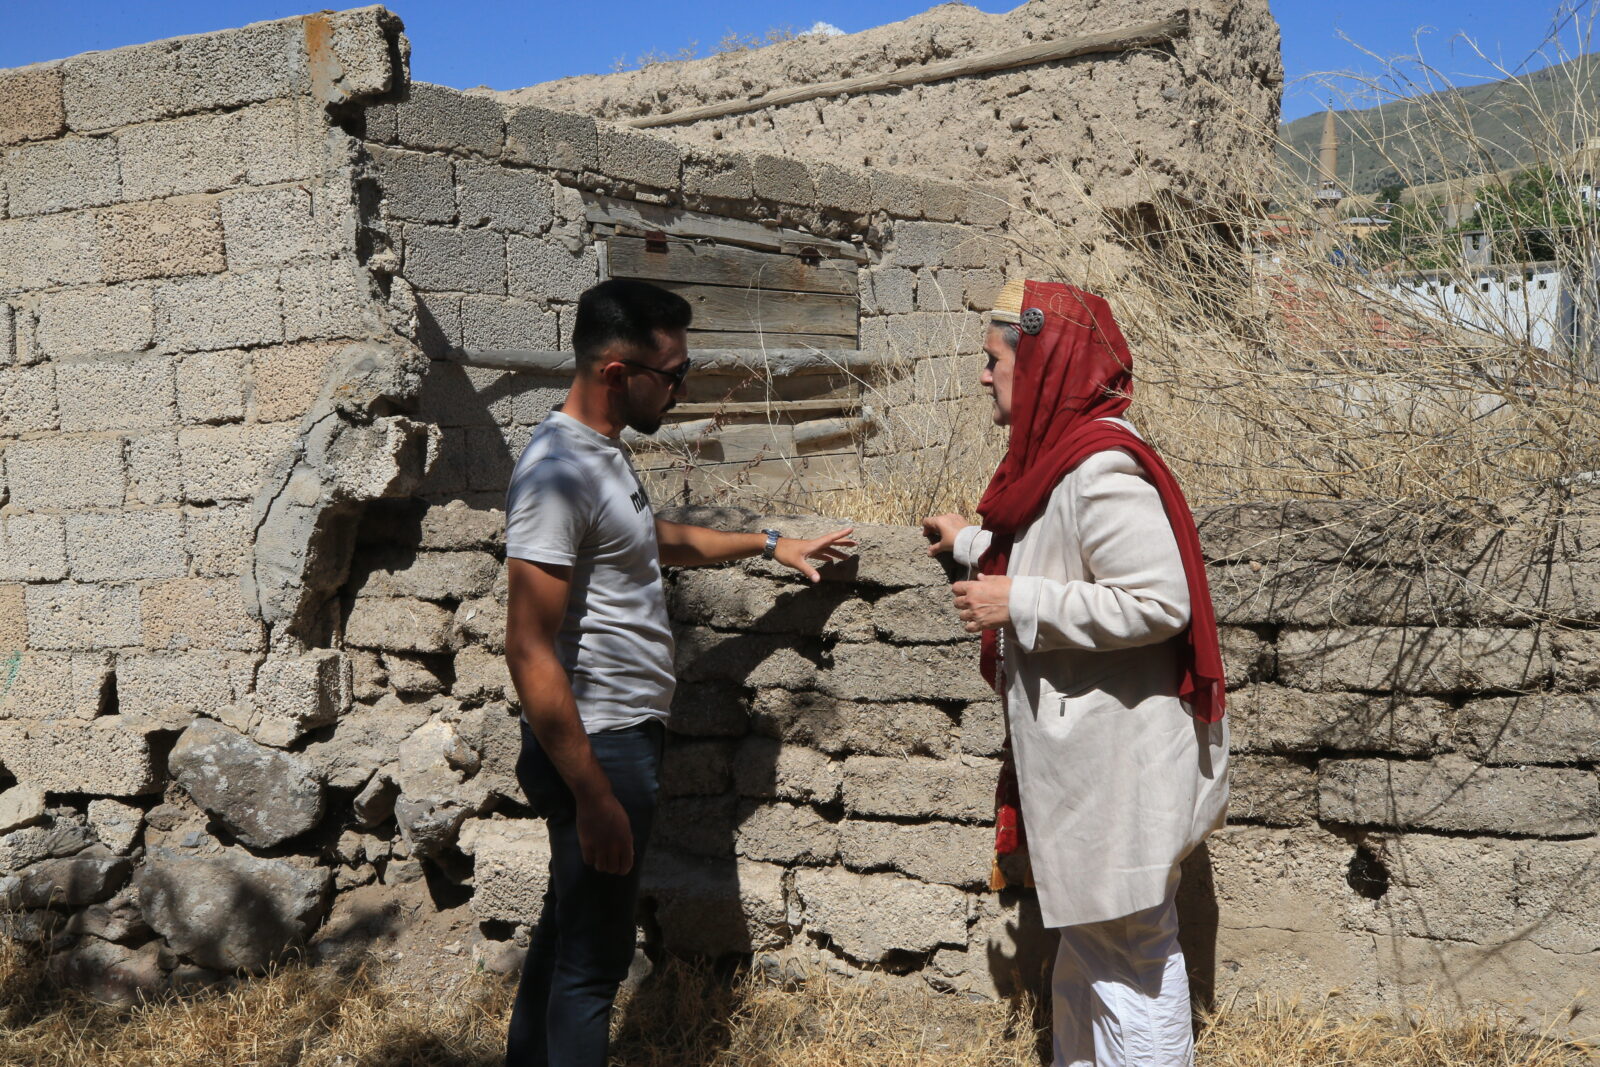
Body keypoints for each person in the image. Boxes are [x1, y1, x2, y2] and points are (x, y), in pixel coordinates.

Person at [503, 278, 855, 1067]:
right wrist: (595, 793)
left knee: (566, 934)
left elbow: (648, 539)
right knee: (591, 973)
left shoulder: (599, 457)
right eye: (674, 375)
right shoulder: (556, 474)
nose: (683, 389)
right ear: (617, 374)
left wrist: (772, 543)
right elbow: (527, 646)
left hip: (614, 739)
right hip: (600, 745)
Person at [922, 279, 1228, 1067]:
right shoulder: (1061, 463)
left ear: (1044, 362)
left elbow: (1157, 599)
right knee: (1092, 957)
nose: (983, 376)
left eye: (994, 361)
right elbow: (1053, 555)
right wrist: (968, 546)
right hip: (1090, 767)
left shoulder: (1098, 470)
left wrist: (1016, 598)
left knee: (1132, 960)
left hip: (1119, 767)